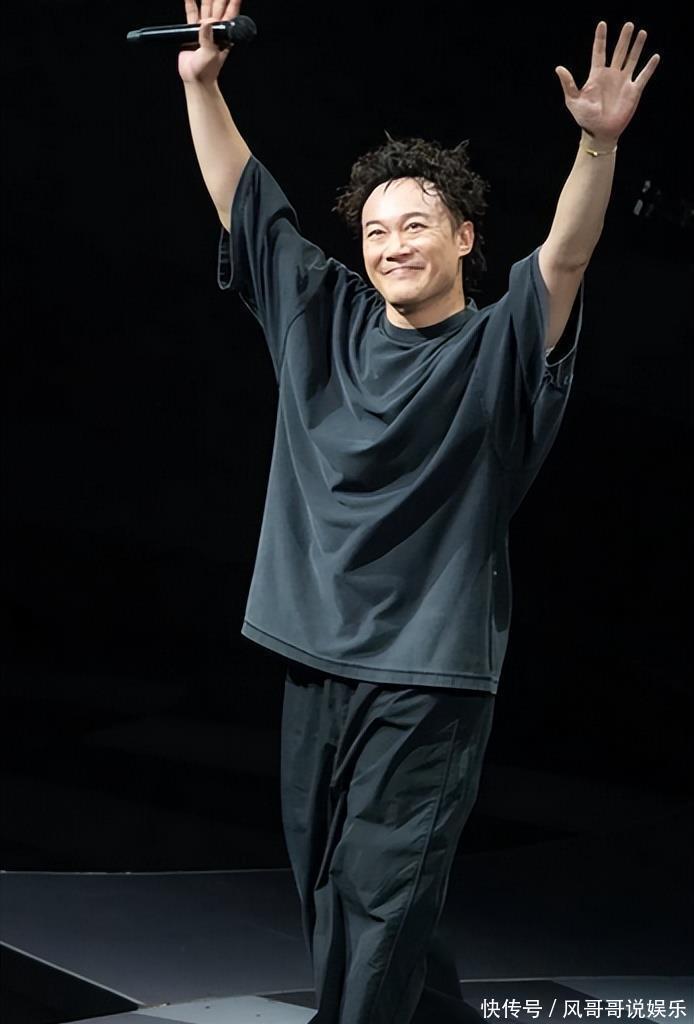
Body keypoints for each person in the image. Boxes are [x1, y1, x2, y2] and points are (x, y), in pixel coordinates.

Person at [177, 4, 659, 1022]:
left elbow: (565, 257)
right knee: (334, 886)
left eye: (415, 226)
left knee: (378, 895)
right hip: (314, 653)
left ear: (463, 238)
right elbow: (245, 200)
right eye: (375, 230)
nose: (393, 245)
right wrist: (202, 85)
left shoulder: (499, 347)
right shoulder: (321, 314)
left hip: (427, 674)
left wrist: (596, 145)